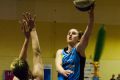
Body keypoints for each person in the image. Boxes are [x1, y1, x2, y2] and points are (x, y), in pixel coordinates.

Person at [55, 5, 94, 80]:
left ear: (79, 39)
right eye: (69, 33)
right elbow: (58, 65)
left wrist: (91, 16)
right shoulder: (60, 52)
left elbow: (87, 34)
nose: (70, 34)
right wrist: (63, 71)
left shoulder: (79, 49)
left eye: (73, 33)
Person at [10, 12, 44, 80]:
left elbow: (21, 63)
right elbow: (37, 53)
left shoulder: (16, 78)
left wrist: (27, 39)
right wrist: (33, 29)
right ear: (27, 69)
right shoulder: (37, 78)